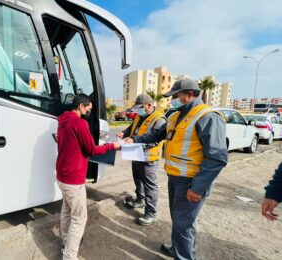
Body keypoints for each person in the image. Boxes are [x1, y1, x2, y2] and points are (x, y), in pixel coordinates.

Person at [124, 79, 228, 260]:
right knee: (180, 221)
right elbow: (157, 134)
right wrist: (135, 139)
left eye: (175, 95)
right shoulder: (174, 116)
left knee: (183, 224)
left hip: (191, 181)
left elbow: (217, 158)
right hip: (175, 178)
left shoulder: (207, 116)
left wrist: (198, 187)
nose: (172, 99)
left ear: (189, 94)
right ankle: (179, 247)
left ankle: (184, 256)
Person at [56, 94, 121, 260]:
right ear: (81, 106)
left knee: (66, 210)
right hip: (73, 178)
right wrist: (111, 146)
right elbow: (91, 149)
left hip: (62, 175)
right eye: (88, 109)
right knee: (79, 217)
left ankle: (66, 241)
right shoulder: (79, 123)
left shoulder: (63, 120)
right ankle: (69, 256)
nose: (88, 113)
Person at [116, 94, 166, 225]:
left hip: (149, 157)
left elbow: (155, 139)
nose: (138, 110)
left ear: (149, 105)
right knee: (138, 179)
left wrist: (135, 141)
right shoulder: (140, 116)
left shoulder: (159, 119)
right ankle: (140, 199)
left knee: (150, 186)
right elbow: (132, 128)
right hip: (136, 154)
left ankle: (151, 213)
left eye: (141, 107)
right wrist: (124, 133)